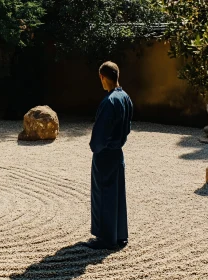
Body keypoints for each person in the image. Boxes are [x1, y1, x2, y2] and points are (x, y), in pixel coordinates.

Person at [84, 61, 133, 250]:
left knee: (103, 194)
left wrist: (95, 147)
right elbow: (127, 127)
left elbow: (100, 134)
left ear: (102, 77)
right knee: (117, 194)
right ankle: (119, 234)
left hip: (105, 154)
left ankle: (105, 238)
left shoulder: (109, 101)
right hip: (118, 153)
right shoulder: (126, 98)